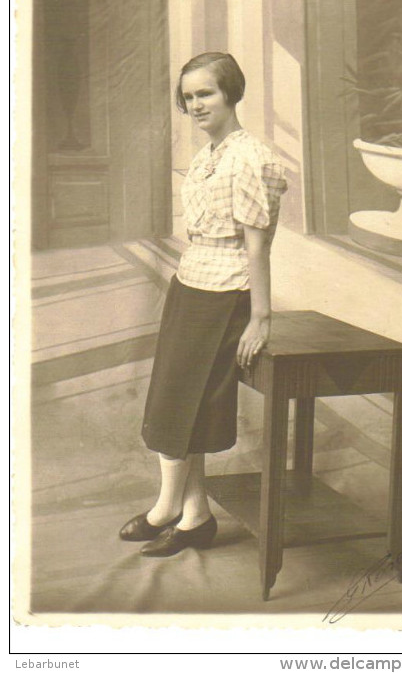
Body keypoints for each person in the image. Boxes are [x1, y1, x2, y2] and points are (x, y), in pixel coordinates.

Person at [119, 52, 287, 557]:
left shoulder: (252, 157)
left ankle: (171, 509)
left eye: (205, 93)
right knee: (175, 402)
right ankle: (192, 514)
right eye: (188, 97)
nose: (195, 105)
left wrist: (260, 316)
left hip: (227, 293)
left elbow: (258, 246)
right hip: (191, 284)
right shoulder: (208, 155)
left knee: (183, 402)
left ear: (231, 92)